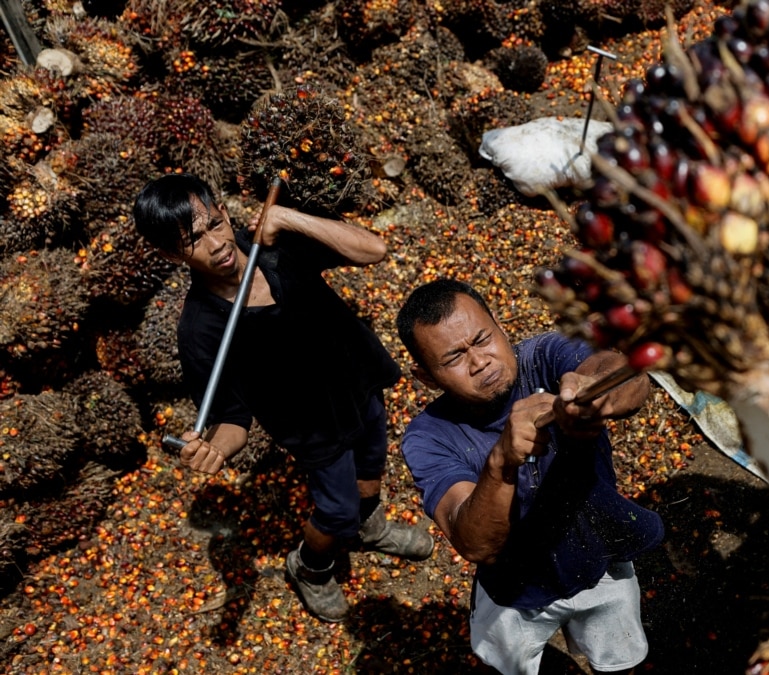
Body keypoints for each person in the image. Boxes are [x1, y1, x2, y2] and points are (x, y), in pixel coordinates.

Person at [132, 173, 433, 623]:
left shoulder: (272, 246)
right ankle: (310, 567)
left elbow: (374, 250)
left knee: (371, 472)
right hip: (311, 426)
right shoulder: (201, 330)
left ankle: (372, 529)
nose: (217, 243)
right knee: (336, 511)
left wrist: (289, 218)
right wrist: (216, 448)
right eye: (195, 239)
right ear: (171, 254)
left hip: (358, 381)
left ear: (223, 212)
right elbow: (231, 418)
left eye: (215, 223)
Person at [395, 278, 664, 675]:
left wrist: (592, 391)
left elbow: (618, 371)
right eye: (453, 359)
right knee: (506, 664)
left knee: (619, 660)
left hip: (599, 563)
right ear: (426, 378)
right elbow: (474, 543)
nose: (480, 361)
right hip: (512, 590)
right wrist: (500, 462)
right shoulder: (428, 437)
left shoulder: (546, 356)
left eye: (483, 339)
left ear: (500, 326)